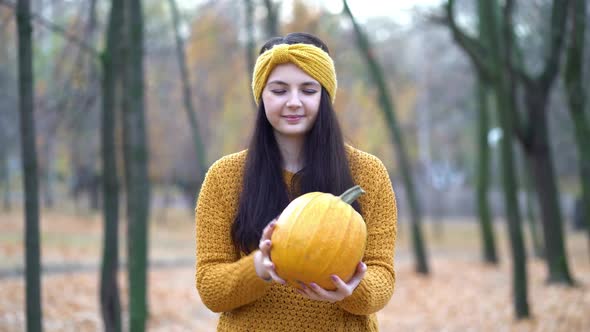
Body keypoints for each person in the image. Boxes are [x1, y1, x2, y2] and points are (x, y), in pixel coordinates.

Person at [195, 32, 397, 331]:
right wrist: (258, 268)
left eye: (308, 90)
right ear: (261, 96)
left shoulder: (368, 172)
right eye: (278, 90)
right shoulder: (224, 177)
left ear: (324, 95)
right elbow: (210, 287)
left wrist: (352, 291)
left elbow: (382, 274)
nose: (293, 102)